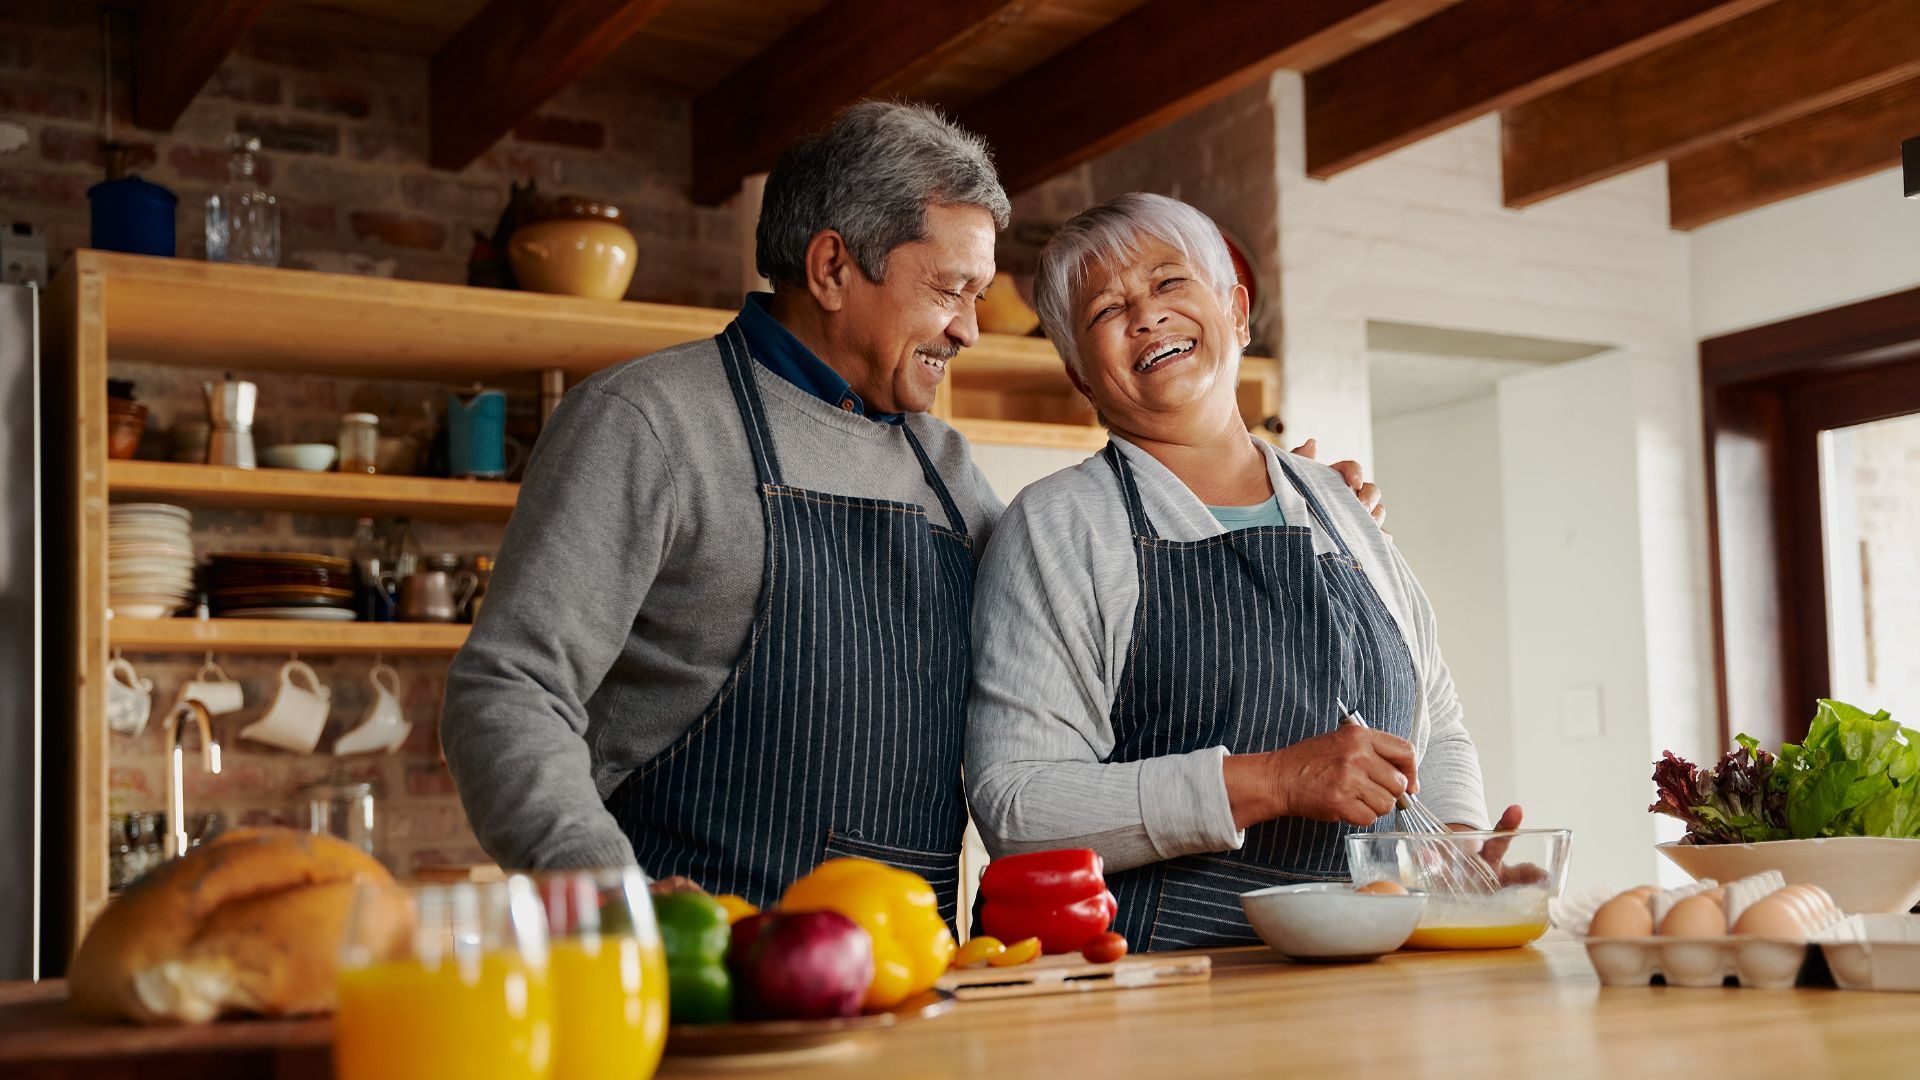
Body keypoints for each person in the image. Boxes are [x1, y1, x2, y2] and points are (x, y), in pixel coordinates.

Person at [442, 103, 1381, 921]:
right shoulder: (649, 423)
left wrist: (1259, 490)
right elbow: (509, 694)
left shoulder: (943, 465)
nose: (970, 328)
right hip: (696, 982)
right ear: (832, 268)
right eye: (950, 289)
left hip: (914, 982)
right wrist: (610, 905)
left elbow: (1084, 587)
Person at [964, 192, 1523, 950]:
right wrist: (1275, 781)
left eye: (1169, 283)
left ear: (1236, 312)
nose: (1146, 316)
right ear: (1080, 374)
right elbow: (1018, 807)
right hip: (1155, 996)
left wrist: (1451, 848)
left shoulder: (1342, 504)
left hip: (1371, 980)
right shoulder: (1059, 525)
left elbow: (1437, 724)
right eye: (1106, 311)